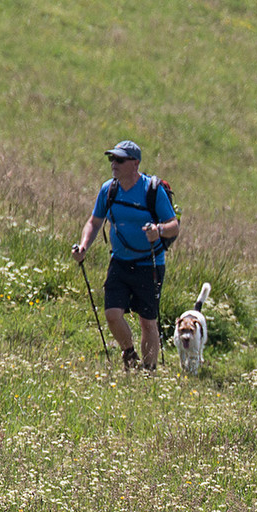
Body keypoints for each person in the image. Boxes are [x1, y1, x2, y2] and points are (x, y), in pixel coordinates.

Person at [71, 140, 180, 372]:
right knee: (112, 314)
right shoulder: (108, 190)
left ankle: (148, 371)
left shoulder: (152, 191)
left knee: (147, 322)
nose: (114, 164)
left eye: (119, 159)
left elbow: (173, 225)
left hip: (149, 263)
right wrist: (83, 247)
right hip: (119, 261)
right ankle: (129, 354)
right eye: (112, 159)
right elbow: (94, 221)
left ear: (135, 164)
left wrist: (157, 231)